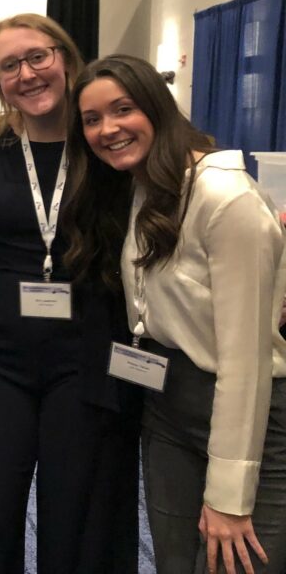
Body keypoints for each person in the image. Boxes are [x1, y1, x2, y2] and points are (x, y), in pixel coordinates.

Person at [65, 54, 286, 574]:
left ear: (158, 107)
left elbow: (246, 365)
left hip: (241, 414)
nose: (107, 129)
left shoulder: (225, 198)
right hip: (166, 408)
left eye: (123, 109)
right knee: (174, 563)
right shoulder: (145, 185)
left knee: (234, 562)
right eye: (92, 119)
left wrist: (230, 495)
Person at [0, 14, 140, 574]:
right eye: (10, 65)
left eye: (38, 57)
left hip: (87, 358)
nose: (28, 74)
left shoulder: (103, 140)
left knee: (79, 523)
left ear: (65, 57)